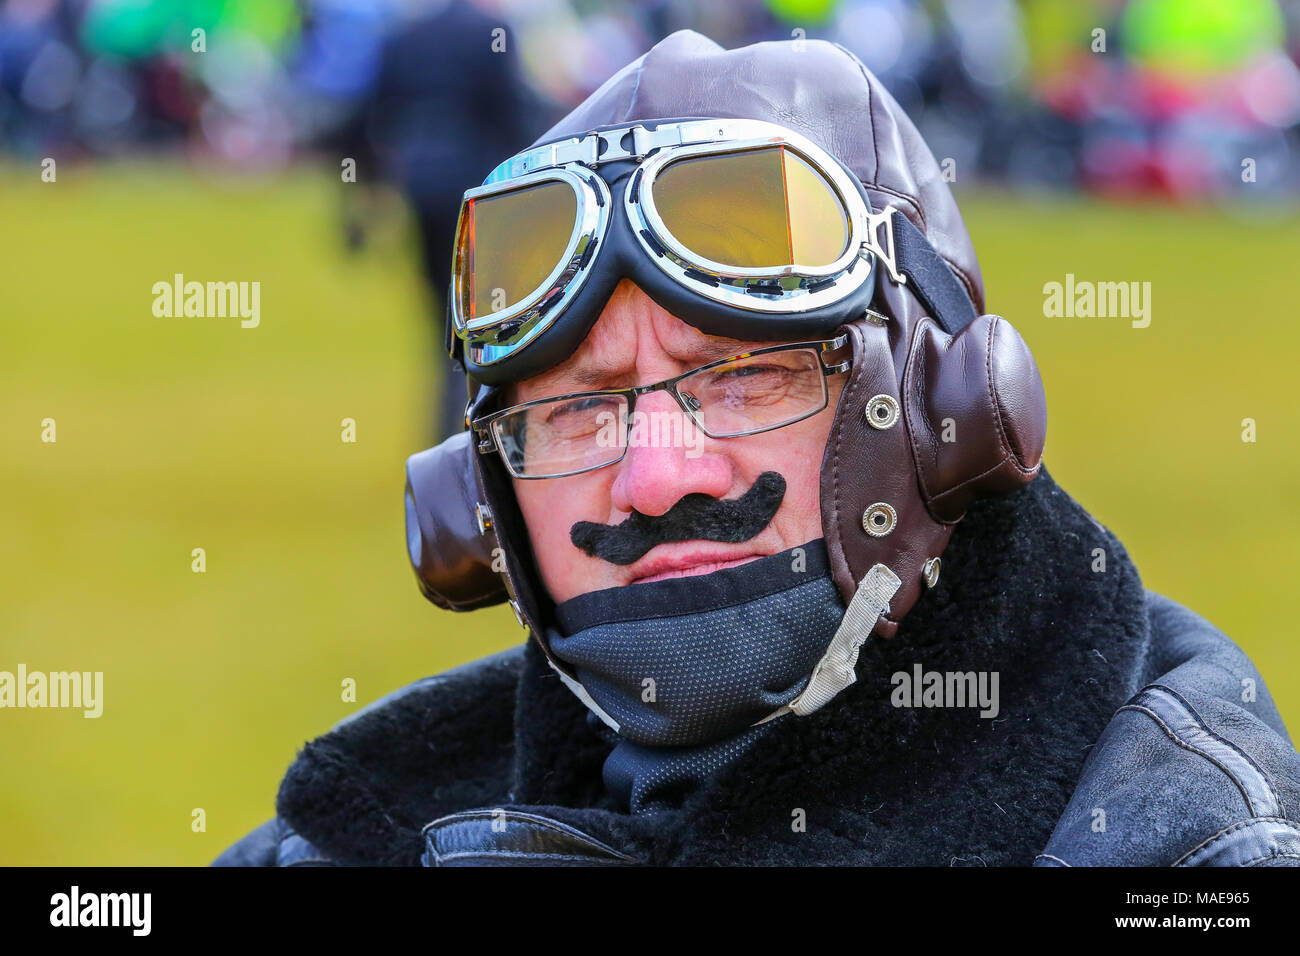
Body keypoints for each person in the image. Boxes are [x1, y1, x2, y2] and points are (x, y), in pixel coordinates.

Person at [215, 30, 1300, 867]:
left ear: (954, 414)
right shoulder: (344, 831)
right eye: (578, 409)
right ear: (478, 511)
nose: (653, 476)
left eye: (743, 380)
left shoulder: (1185, 843)